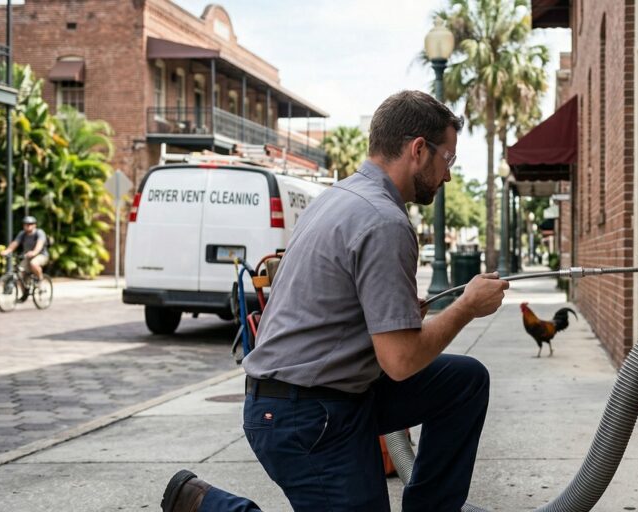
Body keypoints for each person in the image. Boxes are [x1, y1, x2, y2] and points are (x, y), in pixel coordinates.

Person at [161, 90, 509, 512]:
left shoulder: (339, 196)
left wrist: (390, 311)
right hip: (304, 416)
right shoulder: (385, 221)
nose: (448, 176)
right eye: (447, 160)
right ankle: (207, 505)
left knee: (464, 381)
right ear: (418, 149)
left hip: (329, 395)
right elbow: (400, 361)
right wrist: (467, 306)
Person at [0, 216, 49, 283]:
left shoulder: (39, 233)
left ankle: (40, 280)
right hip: (27, 256)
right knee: (20, 274)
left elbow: (39, 244)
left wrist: (34, 252)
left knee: (33, 263)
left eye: (30, 224)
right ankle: (25, 292)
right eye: (26, 224)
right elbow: (15, 243)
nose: (28, 226)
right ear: (24, 225)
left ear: (35, 225)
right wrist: (7, 251)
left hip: (41, 255)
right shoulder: (22, 233)